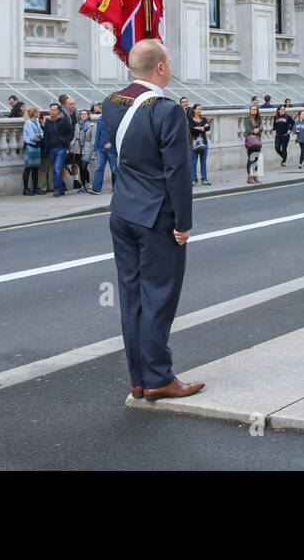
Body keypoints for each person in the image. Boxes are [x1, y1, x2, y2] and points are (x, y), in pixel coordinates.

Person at [102, 38, 202, 401]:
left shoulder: (111, 103)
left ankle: (139, 379)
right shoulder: (168, 110)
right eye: (169, 62)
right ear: (160, 67)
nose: (171, 67)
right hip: (156, 217)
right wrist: (184, 223)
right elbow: (177, 171)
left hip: (123, 211)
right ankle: (159, 377)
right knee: (159, 298)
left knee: (133, 299)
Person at [42, 102, 73, 196]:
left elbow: (70, 132)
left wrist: (65, 141)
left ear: (58, 111)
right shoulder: (48, 122)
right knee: (56, 169)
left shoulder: (64, 120)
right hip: (51, 148)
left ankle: (57, 189)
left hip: (61, 148)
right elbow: (46, 135)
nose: (52, 112)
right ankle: (62, 187)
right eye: (51, 110)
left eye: (54, 110)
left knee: (57, 168)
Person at [90, 108, 117, 194]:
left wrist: (111, 143)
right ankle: (96, 189)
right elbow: (98, 133)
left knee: (114, 169)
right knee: (99, 168)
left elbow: (116, 132)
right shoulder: (101, 119)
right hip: (100, 148)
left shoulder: (115, 119)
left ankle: (116, 187)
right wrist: (95, 148)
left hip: (111, 149)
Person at [71, 108, 96, 193]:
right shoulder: (77, 125)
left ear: (88, 116)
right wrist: (72, 146)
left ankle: (88, 183)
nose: (83, 116)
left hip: (87, 147)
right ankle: (83, 185)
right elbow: (75, 137)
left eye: (85, 114)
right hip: (78, 148)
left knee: (84, 166)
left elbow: (93, 139)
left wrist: (93, 150)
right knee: (80, 168)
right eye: (82, 114)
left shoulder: (91, 125)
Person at [22, 106, 45, 195]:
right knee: (28, 168)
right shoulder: (28, 123)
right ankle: (26, 189)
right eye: (37, 112)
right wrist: (39, 136)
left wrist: (39, 135)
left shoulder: (37, 122)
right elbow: (32, 137)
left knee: (36, 168)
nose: (38, 114)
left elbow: (41, 134)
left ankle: (35, 188)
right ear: (34, 113)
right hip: (29, 147)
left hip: (36, 146)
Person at [188, 104, 211, 185]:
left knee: (203, 162)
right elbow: (191, 130)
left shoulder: (204, 119)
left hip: (204, 143)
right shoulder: (191, 120)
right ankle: (193, 179)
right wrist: (202, 128)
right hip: (194, 143)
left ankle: (204, 179)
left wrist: (198, 128)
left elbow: (208, 128)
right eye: (198, 109)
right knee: (193, 162)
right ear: (194, 110)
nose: (200, 110)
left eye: (201, 109)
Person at [244, 103, 264, 184]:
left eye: (255, 109)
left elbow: (262, 128)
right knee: (250, 159)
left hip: (258, 141)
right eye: (252, 109)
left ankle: (255, 176)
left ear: (257, 111)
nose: (253, 110)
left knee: (256, 159)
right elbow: (248, 129)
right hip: (251, 141)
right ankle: (249, 177)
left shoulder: (258, 119)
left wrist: (258, 130)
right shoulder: (247, 119)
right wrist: (255, 130)